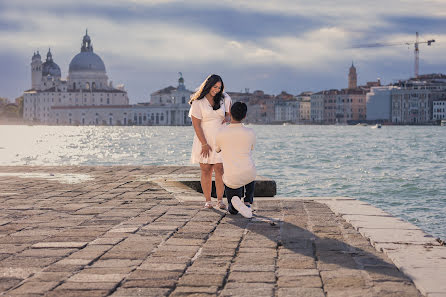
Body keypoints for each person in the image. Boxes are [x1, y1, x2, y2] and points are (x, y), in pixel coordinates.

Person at [189, 74, 231, 209]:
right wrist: (204, 144)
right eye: (215, 87)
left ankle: (220, 200)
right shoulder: (198, 102)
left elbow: (229, 114)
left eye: (219, 87)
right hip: (204, 139)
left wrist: (228, 118)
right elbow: (196, 125)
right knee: (206, 170)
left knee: (220, 169)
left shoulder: (225, 98)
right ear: (208, 85)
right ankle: (208, 200)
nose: (217, 90)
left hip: (221, 138)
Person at [215, 102, 256, 218]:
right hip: (248, 175)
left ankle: (234, 203)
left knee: (232, 211)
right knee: (249, 169)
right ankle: (247, 202)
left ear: (230, 114)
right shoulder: (251, 132)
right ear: (244, 116)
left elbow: (217, 150)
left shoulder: (221, 132)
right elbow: (251, 148)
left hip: (231, 178)